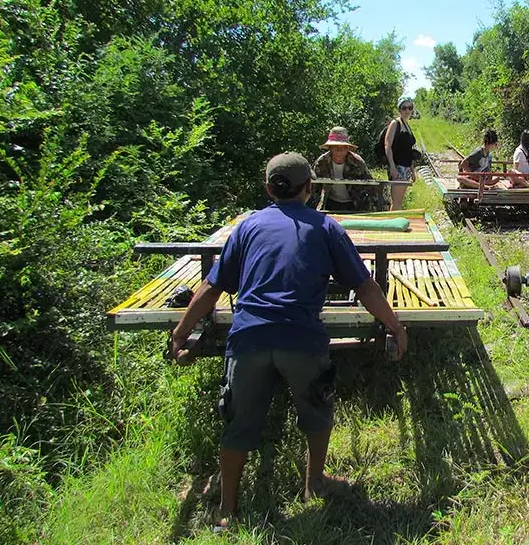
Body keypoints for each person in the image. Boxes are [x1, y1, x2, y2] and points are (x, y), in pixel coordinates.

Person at [169, 152, 408, 530]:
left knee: (237, 422)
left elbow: (211, 287)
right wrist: (395, 326)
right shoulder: (326, 228)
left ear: (269, 189)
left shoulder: (247, 228)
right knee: (317, 410)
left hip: (248, 337)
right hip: (301, 338)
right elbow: (364, 286)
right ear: (310, 190)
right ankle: (315, 483)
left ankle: (228, 509)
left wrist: (181, 334)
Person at [308, 126, 379, 212]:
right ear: (330, 148)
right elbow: (313, 187)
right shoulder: (322, 162)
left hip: (355, 205)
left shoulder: (357, 162)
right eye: (335, 147)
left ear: (347, 148)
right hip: (330, 203)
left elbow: (370, 185)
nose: (339, 151)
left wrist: (376, 209)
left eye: (343, 147)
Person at [384, 98, 417, 211]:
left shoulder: (407, 125)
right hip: (398, 167)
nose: (407, 111)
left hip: (406, 167)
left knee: (398, 201)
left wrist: (412, 170)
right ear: (399, 109)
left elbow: (409, 150)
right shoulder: (395, 123)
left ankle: (394, 223)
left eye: (410, 108)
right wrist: (393, 167)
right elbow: (387, 146)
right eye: (404, 108)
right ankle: (392, 225)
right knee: (396, 202)